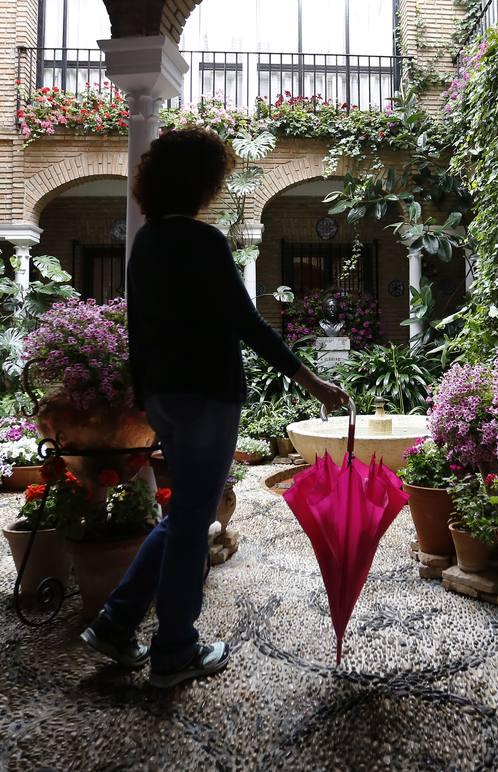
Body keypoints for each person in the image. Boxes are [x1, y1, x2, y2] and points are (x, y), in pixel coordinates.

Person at [80, 128, 348, 688]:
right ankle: (175, 648)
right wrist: (310, 380)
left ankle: (116, 621)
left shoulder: (147, 243)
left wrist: (144, 394)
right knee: (193, 520)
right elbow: (246, 323)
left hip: (165, 397)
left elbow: (138, 327)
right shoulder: (204, 242)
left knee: (183, 515)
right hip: (207, 395)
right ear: (203, 183)